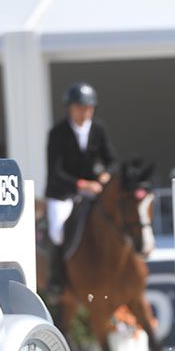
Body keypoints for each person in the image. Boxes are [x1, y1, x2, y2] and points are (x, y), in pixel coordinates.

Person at [45, 82, 117, 296]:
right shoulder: (57, 133)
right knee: (57, 233)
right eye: (80, 107)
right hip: (63, 191)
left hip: (94, 190)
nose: (86, 111)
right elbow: (55, 171)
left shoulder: (99, 129)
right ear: (69, 108)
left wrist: (106, 175)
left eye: (89, 107)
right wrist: (81, 184)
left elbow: (112, 160)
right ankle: (57, 279)